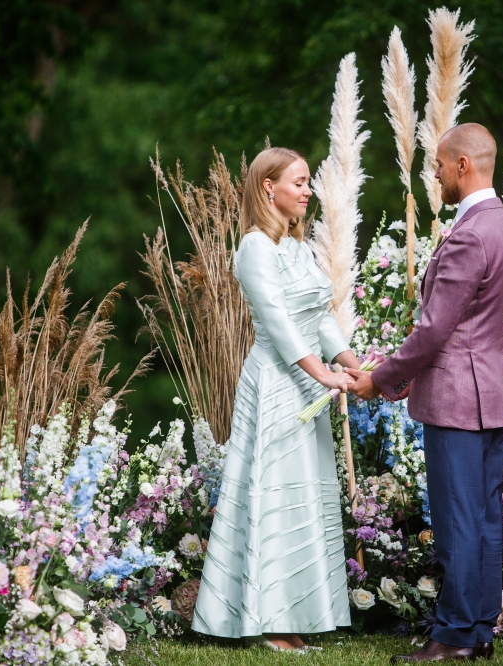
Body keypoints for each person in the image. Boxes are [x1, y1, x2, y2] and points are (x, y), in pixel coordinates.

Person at [348, 123, 503, 663]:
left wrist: (381, 378)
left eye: (440, 165)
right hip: (490, 390)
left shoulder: (470, 234)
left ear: (463, 165)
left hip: (457, 397)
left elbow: (433, 330)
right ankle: (479, 629)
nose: (436, 174)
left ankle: (453, 635)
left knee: (457, 519)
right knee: (485, 516)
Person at [191, 147, 359, 651]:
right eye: (299, 182)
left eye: (308, 183)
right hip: (274, 383)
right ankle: (266, 621)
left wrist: (349, 361)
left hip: (307, 382)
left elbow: (318, 317)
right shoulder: (254, 248)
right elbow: (279, 324)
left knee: (304, 494)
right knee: (274, 493)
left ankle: (298, 614)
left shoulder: (296, 247)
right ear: (269, 187)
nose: (308, 191)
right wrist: (323, 374)